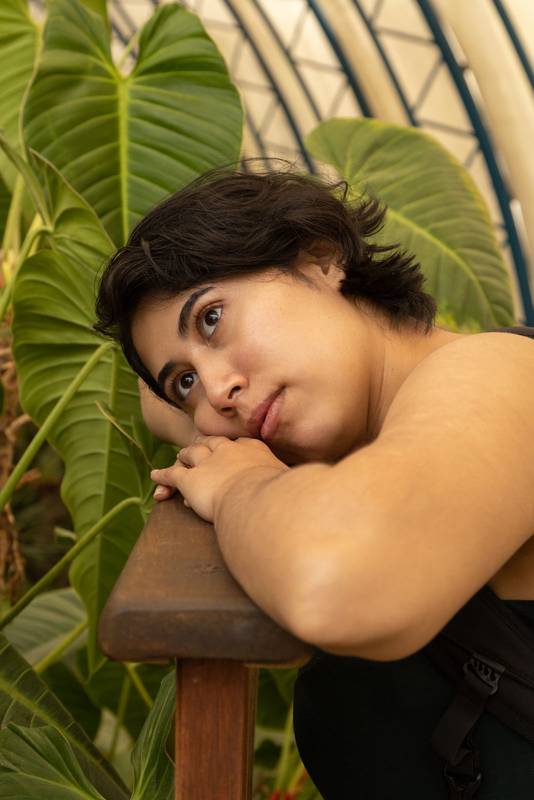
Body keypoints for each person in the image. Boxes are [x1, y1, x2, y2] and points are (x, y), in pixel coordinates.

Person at [94, 163, 534, 797]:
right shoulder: (360, 439)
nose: (217, 392)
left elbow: (342, 584)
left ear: (320, 258)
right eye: (185, 380)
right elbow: (157, 402)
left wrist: (240, 484)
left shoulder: (497, 377)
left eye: (212, 319)